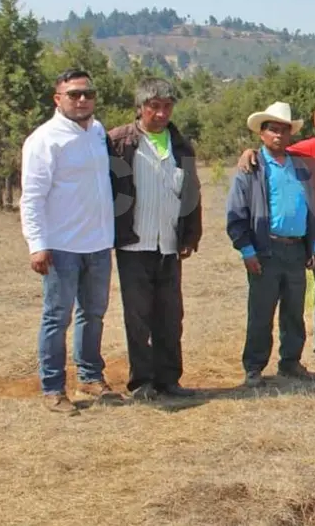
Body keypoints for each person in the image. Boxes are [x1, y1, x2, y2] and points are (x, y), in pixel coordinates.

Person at [20, 69, 117, 414]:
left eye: (88, 93)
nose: (82, 100)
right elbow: (32, 197)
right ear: (57, 99)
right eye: (74, 94)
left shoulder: (97, 131)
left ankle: (90, 377)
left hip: (98, 243)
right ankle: (53, 387)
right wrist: (37, 244)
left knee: (94, 314)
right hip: (61, 246)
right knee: (57, 317)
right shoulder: (44, 140)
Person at [107, 78, 202, 400]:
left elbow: (192, 193)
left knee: (171, 316)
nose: (161, 113)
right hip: (134, 242)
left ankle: (169, 379)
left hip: (169, 244)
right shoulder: (119, 143)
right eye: (154, 106)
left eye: (167, 106)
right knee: (138, 318)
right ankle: (142, 382)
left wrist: (190, 234)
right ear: (140, 108)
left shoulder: (180, 146)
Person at [225, 102, 315, 387]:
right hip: (266, 250)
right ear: (262, 133)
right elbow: (236, 214)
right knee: (261, 311)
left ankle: (290, 362)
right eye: (273, 129)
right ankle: (254, 367)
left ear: (291, 133)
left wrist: (314, 246)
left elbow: (314, 209)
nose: (279, 134)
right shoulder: (252, 167)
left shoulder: (301, 166)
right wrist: (247, 250)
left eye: (284, 129)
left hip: (296, 249)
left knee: (294, 311)